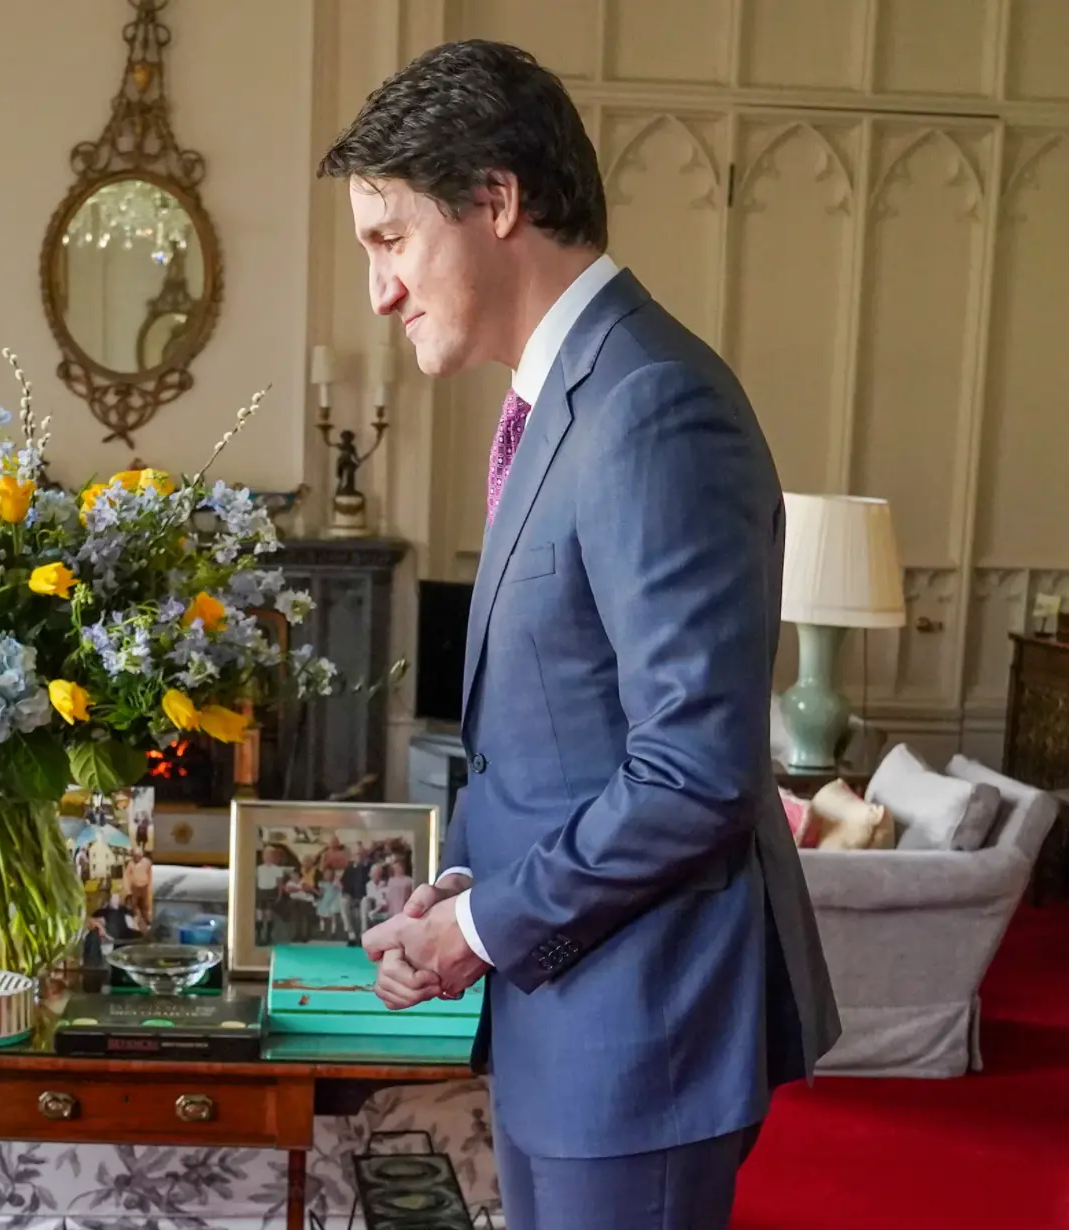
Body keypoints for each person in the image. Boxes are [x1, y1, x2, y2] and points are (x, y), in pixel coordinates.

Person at [320, 40, 841, 1230]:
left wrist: (476, 929)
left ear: (495, 200)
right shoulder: (563, 400)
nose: (379, 292)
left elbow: (694, 772)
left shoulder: (650, 404)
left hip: (641, 1033)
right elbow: (572, 738)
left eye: (390, 240)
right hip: (575, 1006)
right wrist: (466, 891)